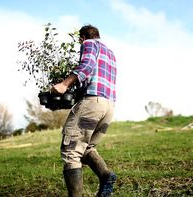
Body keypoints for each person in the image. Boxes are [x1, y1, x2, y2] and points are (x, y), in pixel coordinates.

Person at [51, 24, 117, 197]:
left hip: (93, 103)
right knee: (86, 148)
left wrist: (64, 84)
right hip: (109, 106)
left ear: (82, 38)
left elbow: (86, 67)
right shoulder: (110, 54)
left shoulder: (89, 44)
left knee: (71, 151)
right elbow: (93, 76)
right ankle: (106, 176)